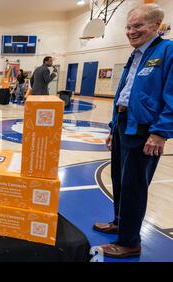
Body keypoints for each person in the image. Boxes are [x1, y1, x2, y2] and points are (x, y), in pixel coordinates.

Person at [93, 4, 173, 258]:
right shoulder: (136, 54)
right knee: (119, 178)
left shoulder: (167, 51)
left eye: (138, 26)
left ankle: (129, 241)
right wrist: (113, 126)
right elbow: (125, 93)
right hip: (124, 125)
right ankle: (119, 221)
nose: (131, 31)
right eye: (128, 26)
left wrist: (160, 132)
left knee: (134, 186)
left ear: (156, 26)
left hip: (145, 130)